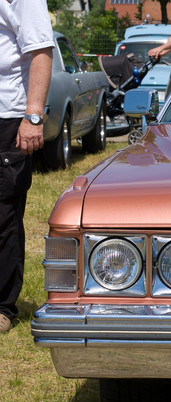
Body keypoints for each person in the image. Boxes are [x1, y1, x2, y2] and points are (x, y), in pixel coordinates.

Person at [0, 0, 54, 333]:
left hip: (6, 116)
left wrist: (33, 115)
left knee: (3, 214)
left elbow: (41, 51)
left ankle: (3, 305)